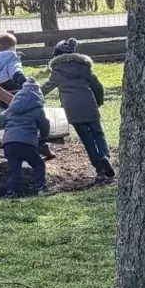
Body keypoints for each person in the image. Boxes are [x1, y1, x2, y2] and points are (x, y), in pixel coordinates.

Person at [47, 38, 113, 184]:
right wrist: (98, 101)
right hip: (89, 105)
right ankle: (105, 157)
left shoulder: (57, 72)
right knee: (98, 133)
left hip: (73, 110)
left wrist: (30, 92)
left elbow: (45, 88)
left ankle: (100, 170)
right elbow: (98, 86)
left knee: (87, 139)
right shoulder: (84, 68)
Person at [0, 78, 52, 198]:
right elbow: (44, 125)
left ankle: (11, 192)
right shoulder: (37, 110)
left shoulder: (11, 109)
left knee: (14, 170)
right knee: (38, 164)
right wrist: (44, 136)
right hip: (26, 143)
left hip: (9, 143)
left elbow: (0, 122)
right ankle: (41, 188)